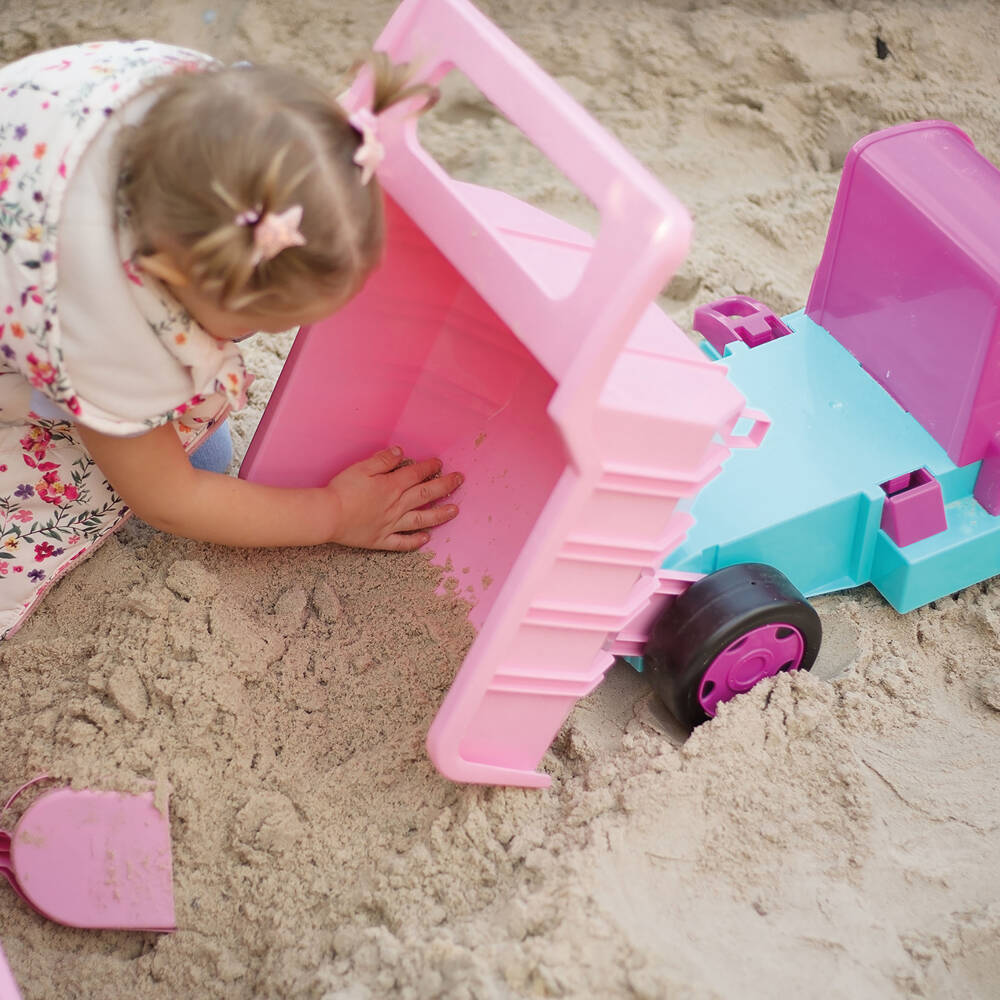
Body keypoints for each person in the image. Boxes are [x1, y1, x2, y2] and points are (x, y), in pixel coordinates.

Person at [0, 40, 462, 638]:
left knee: (203, 449)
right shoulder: (110, 328)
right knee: (151, 468)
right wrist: (333, 513)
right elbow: (166, 499)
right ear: (169, 280)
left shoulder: (211, 109)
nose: (265, 335)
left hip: (39, 147)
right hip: (35, 280)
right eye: (260, 324)